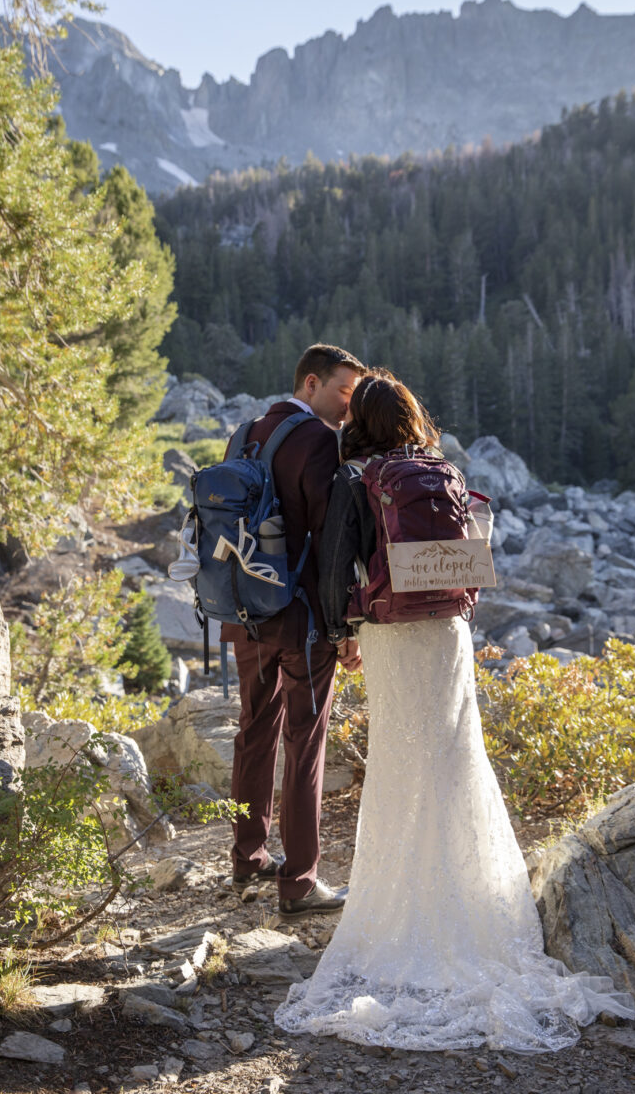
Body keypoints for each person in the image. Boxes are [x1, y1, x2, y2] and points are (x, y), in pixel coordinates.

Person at [274, 372, 635, 1051]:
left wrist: (341, 634)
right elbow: (471, 557)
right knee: (457, 755)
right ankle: (473, 906)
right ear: (411, 417)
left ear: (363, 424)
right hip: (448, 632)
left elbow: (335, 565)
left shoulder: (358, 477)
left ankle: (402, 911)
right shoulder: (444, 472)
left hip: (390, 634)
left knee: (399, 762)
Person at [225, 343, 366, 916]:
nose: (349, 406)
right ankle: (300, 883)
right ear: (311, 383)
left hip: (244, 613)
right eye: (343, 391)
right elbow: (331, 544)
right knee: (304, 743)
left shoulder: (246, 434)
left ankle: (248, 858)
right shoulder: (317, 441)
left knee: (253, 731)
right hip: (301, 618)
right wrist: (344, 624)